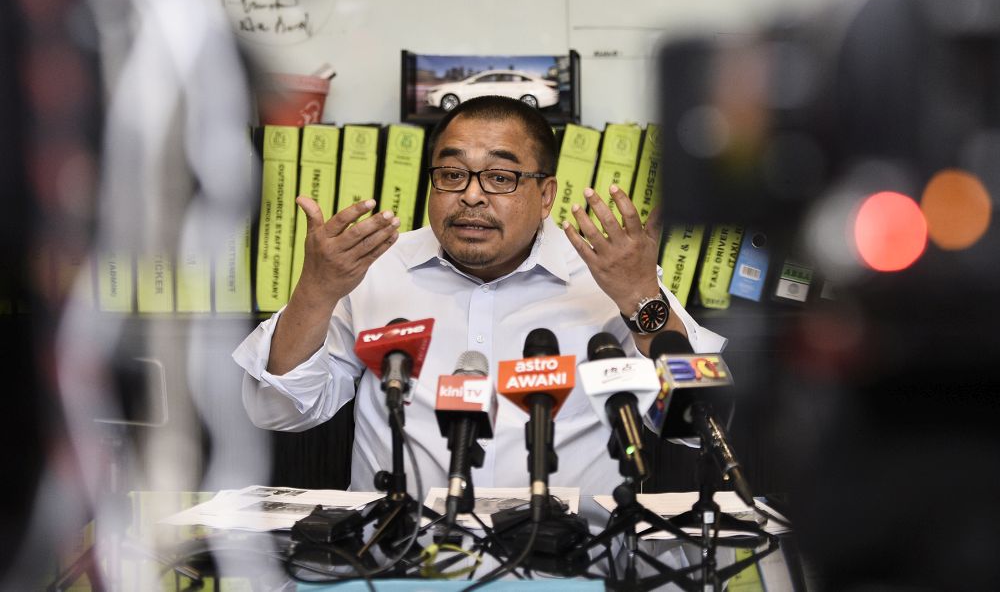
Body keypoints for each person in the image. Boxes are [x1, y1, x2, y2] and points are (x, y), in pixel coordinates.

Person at [234, 95, 725, 496]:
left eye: (500, 177)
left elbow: (698, 423)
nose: (471, 195)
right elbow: (278, 410)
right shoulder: (374, 269)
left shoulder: (607, 276)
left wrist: (642, 299)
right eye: (451, 174)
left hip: (574, 564)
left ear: (547, 194)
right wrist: (315, 293)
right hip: (402, 563)